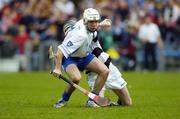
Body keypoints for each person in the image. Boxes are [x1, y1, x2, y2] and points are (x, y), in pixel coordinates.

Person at [62, 19, 132, 107]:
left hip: (108, 67)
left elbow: (93, 26)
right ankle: (92, 101)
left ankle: (118, 102)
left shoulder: (87, 33)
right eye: (67, 31)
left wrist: (102, 24)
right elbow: (66, 58)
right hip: (93, 74)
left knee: (127, 103)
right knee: (99, 104)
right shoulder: (69, 43)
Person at [52, 8, 109, 108]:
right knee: (76, 78)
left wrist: (101, 24)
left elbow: (94, 25)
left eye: (96, 21)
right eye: (91, 22)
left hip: (84, 56)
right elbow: (60, 50)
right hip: (70, 58)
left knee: (105, 71)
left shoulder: (88, 25)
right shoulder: (80, 35)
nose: (94, 24)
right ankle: (63, 100)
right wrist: (57, 68)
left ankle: (92, 100)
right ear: (85, 21)